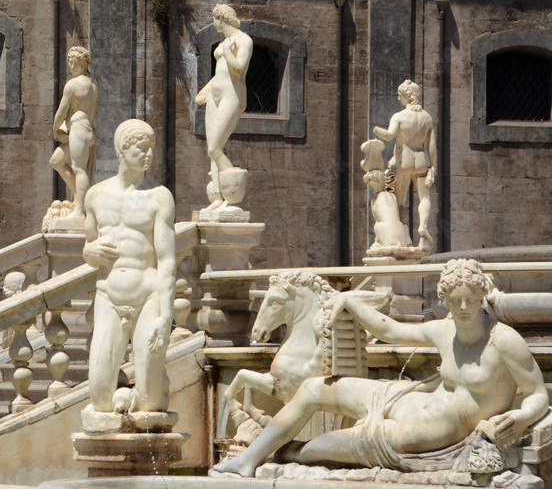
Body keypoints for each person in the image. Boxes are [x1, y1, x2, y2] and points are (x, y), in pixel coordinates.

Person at [212, 259, 548, 477]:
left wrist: (519, 417)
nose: (462, 307)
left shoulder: (503, 341)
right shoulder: (445, 330)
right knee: (314, 388)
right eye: (455, 299)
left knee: (320, 448)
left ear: (480, 297)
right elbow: (389, 330)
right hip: (406, 400)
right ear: (444, 298)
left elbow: (537, 394)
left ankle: (286, 453)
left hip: (421, 436)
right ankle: (248, 458)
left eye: (470, 300)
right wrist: (350, 302)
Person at [82, 119, 177, 414]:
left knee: (150, 406)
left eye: (151, 149)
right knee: (99, 397)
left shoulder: (159, 197)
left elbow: (168, 260)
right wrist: (90, 251)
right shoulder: (95, 195)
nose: (149, 155)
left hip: (148, 296)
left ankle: (148, 387)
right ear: (123, 149)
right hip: (108, 296)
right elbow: (88, 249)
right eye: (142, 148)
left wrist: (167, 317)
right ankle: (128, 395)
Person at [194, 3, 253, 212]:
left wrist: (227, 52)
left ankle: (233, 187)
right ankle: (218, 198)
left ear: (222, 18)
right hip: (215, 97)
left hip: (232, 96)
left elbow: (238, 69)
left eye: (214, 18)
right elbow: (220, 73)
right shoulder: (224, 42)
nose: (213, 22)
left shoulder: (244, 40)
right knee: (212, 150)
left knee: (214, 147)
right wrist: (205, 90)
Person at [373, 79, 438, 251]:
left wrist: (376, 130)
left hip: (405, 161)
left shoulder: (399, 117)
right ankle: (423, 231)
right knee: (424, 197)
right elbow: (431, 145)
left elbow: (388, 136)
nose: (398, 98)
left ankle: (406, 238)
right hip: (421, 160)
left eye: (400, 95)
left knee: (400, 202)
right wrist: (433, 167)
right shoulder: (426, 117)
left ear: (408, 96)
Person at [50, 46, 98, 218]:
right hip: (87, 130)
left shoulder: (73, 84)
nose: (71, 67)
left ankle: (80, 211)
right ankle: (79, 198)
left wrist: (56, 128)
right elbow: (94, 110)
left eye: (74, 63)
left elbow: (62, 111)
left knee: (79, 169)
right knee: (56, 161)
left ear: (83, 64)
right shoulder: (93, 84)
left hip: (79, 129)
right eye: (70, 63)